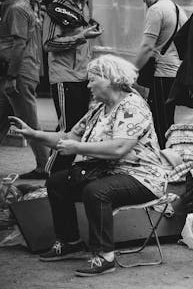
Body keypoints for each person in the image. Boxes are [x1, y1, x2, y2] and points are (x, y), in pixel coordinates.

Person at [9, 55, 168, 277]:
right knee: (57, 182)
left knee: (96, 192)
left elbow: (119, 148)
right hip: (107, 172)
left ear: (110, 79)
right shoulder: (98, 108)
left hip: (142, 177)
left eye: (93, 79)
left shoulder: (133, 106)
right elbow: (67, 137)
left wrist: (78, 149)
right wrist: (33, 133)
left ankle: (104, 256)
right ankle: (70, 242)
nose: (88, 84)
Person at [43, 0, 102, 173]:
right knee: (67, 131)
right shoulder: (55, 8)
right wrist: (80, 37)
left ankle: (61, 177)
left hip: (83, 76)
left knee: (78, 130)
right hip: (64, 77)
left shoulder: (83, 4)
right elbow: (48, 44)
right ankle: (51, 176)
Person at [0, 0, 49, 179]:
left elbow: (19, 44)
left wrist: (11, 77)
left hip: (19, 73)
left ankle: (43, 167)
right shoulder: (19, 5)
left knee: (28, 122)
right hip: (18, 71)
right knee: (5, 116)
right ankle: (43, 166)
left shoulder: (16, 9)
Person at [135, 0, 187, 147]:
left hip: (161, 74)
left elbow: (147, 47)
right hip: (176, 72)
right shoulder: (178, 9)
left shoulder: (156, 10)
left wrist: (132, 70)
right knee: (168, 120)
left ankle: (162, 159)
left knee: (159, 123)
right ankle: (169, 153)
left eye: (144, 0)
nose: (145, 4)